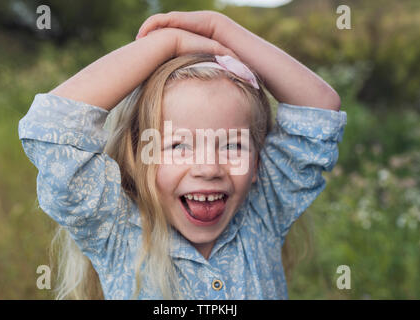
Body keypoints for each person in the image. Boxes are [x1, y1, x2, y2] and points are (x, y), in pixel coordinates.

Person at [18, 10, 347, 299]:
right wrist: (168, 45)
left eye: (233, 145)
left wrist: (219, 29)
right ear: (137, 159)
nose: (208, 168)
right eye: (177, 146)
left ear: (258, 163)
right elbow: (52, 126)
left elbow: (318, 110)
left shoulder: (262, 216)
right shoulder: (117, 232)